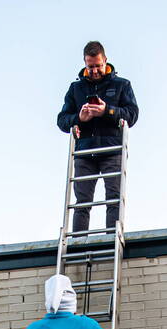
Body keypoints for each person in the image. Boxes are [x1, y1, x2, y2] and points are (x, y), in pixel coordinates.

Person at [56, 40, 139, 233]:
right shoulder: (76, 88)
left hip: (112, 150)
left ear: (106, 61)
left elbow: (132, 115)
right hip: (85, 152)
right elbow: (61, 120)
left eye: (98, 66)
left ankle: (111, 237)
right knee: (82, 203)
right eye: (90, 67)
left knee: (113, 199)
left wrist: (106, 110)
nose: (94, 71)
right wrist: (79, 118)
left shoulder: (121, 85)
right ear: (85, 63)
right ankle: (78, 241)